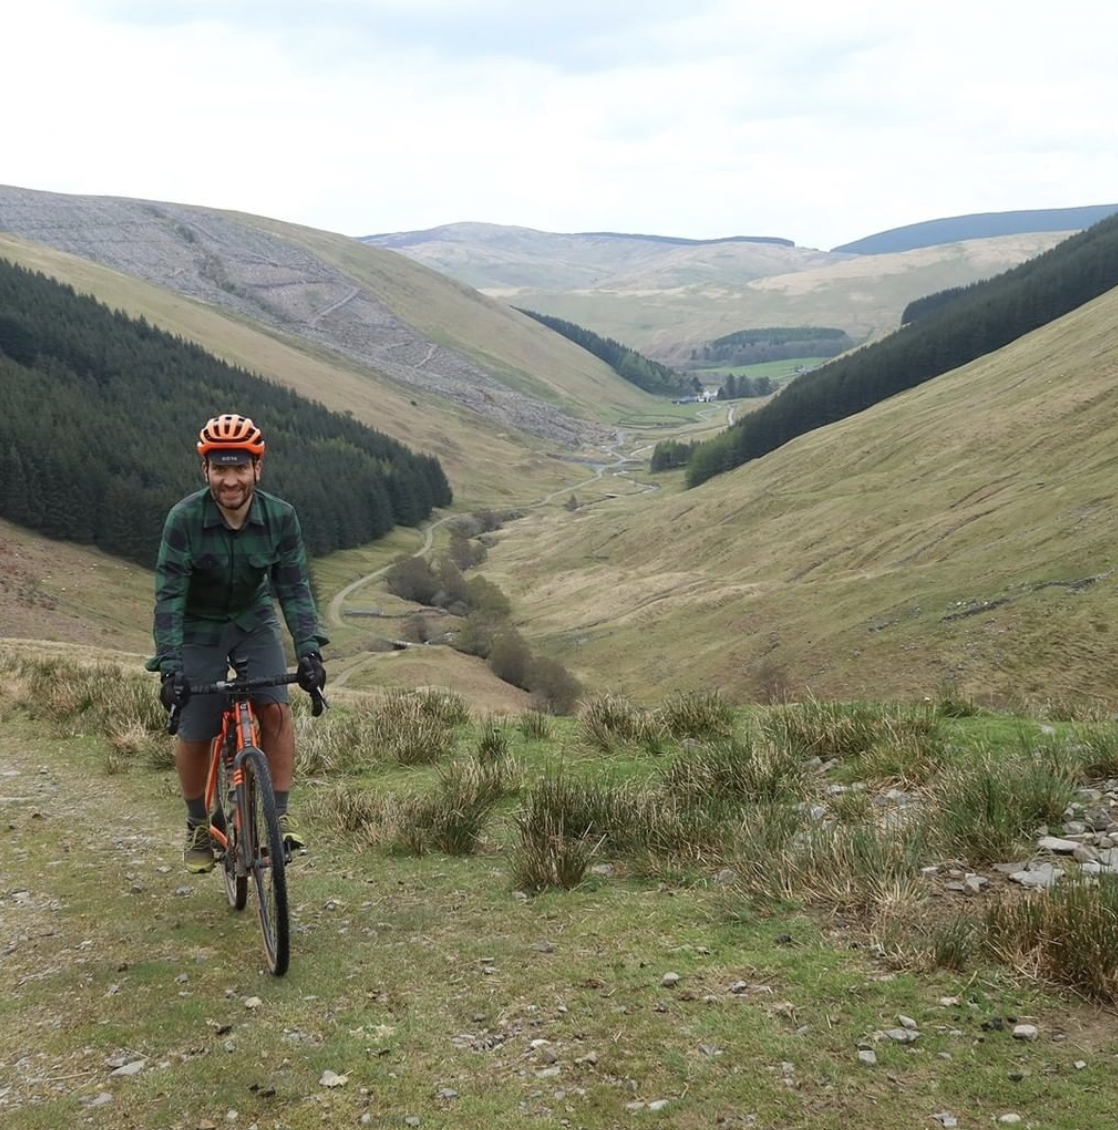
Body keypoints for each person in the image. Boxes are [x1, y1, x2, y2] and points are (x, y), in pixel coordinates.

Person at [148, 413, 329, 873]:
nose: (230, 480)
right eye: (220, 468)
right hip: (198, 627)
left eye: (240, 468)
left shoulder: (280, 518)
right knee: (196, 725)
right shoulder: (183, 520)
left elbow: (293, 587)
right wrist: (171, 668)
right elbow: (169, 597)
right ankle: (196, 823)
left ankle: (279, 816)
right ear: (205, 470)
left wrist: (309, 650)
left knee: (275, 708)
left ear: (257, 470)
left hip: (253, 619)